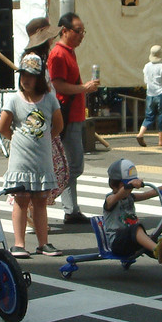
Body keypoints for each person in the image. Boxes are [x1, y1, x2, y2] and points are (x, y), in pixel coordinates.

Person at [0, 53, 63, 258]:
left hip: (41, 160)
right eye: (23, 75)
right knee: (21, 199)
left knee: (40, 201)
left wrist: (44, 139)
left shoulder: (49, 100)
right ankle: (19, 243)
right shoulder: (13, 100)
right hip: (20, 161)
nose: (26, 79)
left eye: (31, 75)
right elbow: (3, 128)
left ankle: (43, 243)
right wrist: (18, 140)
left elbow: (58, 126)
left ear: (40, 78)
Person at [48, 12, 99, 224]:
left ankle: (71, 209)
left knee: (71, 164)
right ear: (65, 30)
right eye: (78, 31)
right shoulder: (58, 54)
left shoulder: (69, 52)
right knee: (74, 166)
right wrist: (83, 88)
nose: (81, 36)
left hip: (75, 114)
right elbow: (57, 85)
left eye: (83, 31)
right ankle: (45, 198)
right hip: (66, 115)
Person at [22, 19, 68, 207]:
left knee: (56, 169)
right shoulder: (35, 60)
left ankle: (36, 208)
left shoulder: (37, 58)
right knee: (49, 170)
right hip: (40, 120)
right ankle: (34, 209)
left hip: (43, 120)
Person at [102, 158, 162, 262]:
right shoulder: (111, 199)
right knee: (136, 228)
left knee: (160, 239)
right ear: (114, 185)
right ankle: (156, 249)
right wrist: (129, 185)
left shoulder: (130, 197)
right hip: (118, 243)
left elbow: (151, 193)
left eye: (130, 187)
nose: (130, 189)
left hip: (133, 241)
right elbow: (118, 196)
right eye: (126, 185)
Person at [136, 45, 162, 147]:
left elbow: (145, 80)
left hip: (150, 93)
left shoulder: (146, 66)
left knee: (149, 115)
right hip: (161, 93)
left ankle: (140, 133)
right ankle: (160, 140)